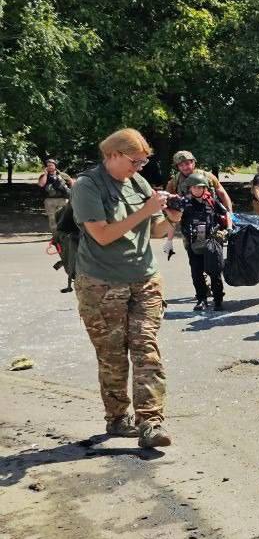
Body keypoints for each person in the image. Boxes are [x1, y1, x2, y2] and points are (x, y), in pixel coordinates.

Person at [70, 128, 182, 448]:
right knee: (112, 356)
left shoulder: (138, 183)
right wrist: (145, 211)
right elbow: (103, 235)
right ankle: (118, 418)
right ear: (113, 155)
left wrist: (173, 217)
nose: (139, 168)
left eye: (143, 162)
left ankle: (151, 422)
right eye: (135, 161)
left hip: (144, 280)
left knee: (146, 349)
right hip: (101, 285)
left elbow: (157, 231)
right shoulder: (88, 187)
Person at [166, 171, 230, 312]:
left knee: (215, 272)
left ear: (205, 188)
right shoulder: (184, 203)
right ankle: (202, 299)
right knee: (196, 272)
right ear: (189, 188)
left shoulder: (212, 202)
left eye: (200, 187)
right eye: (194, 187)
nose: (197, 189)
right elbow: (173, 220)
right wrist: (169, 241)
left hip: (212, 242)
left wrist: (229, 229)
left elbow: (226, 214)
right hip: (193, 243)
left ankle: (218, 300)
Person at [166, 150, 233, 213]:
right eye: (181, 165)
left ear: (193, 163)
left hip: (209, 213)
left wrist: (229, 213)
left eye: (187, 163)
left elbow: (222, 194)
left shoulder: (208, 176)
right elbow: (166, 200)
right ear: (177, 167)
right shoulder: (174, 182)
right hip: (185, 217)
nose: (185, 167)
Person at [38, 158, 74, 231]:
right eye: (48, 166)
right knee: (52, 219)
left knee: (65, 217)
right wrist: (45, 174)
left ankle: (65, 233)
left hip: (63, 199)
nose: (50, 167)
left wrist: (70, 191)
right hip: (49, 201)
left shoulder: (62, 174)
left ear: (55, 166)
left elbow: (72, 183)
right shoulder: (44, 176)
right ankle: (55, 235)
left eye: (51, 165)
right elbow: (41, 184)